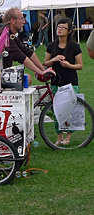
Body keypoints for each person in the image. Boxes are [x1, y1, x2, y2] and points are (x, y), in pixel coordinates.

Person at [0, 7, 55, 80]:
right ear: (13, 21)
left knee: (26, 78)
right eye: (21, 19)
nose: (24, 22)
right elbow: (22, 57)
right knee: (28, 79)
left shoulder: (8, 32)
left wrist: (42, 69)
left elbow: (28, 52)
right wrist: (41, 72)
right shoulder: (5, 36)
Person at [44, 18, 83, 146]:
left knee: (70, 110)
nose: (59, 29)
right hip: (56, 81)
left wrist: (68, 65)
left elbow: (80, 65)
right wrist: (54, 59)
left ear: (69, 31)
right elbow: (45, 63)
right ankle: (59, 135)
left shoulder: (74, 47)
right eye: (58, 27)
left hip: (71, 81)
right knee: (57, 110)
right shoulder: (52, 45)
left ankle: (68, 136)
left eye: (63, 27)